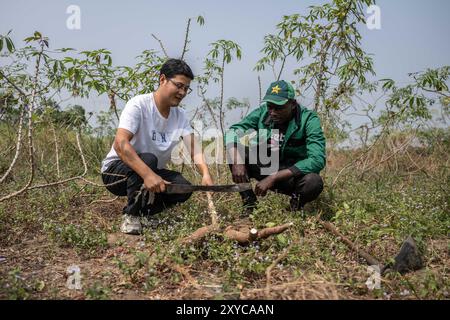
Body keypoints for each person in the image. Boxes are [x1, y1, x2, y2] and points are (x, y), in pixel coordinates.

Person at [101, 59, 213, 234]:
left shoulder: (180, 115)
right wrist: (148, 174)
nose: (182, 92)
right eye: (179, 85)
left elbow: (194, 147)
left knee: (183, 187)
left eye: (186, 88)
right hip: (116, 172)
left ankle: (147, 215)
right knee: (148, 159)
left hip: (149, 170)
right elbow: (120, 144)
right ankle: (131, 216)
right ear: (162, 80)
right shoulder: (139, 104)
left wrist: (205, 173)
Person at [225, 80, 326, 216]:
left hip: (291, 177)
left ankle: (294, 209)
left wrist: (274, 178)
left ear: (293, 104)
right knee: (235, 152)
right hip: (267, 166)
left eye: (278, 108)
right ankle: (250, 205)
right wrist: (237, 160)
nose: (272, 112)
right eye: (270, 106)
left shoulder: (309, 120)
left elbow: (317, 159)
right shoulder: (263, 113)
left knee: (313, 182)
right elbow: (234, 130)